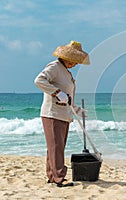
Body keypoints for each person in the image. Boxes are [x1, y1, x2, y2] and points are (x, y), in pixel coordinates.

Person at [34, 40, 89, 187]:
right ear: (65, 57)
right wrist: (56, 92)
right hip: (52, 114)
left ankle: (52, 176)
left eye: (77, 62)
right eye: (73, 60)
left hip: (63, 114)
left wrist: (77, 110)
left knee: (56, 147)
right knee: (56, 146)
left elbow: (67, 98)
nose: (75, 64)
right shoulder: (55, 67)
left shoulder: (66, 72)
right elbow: (39, 80)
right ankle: (59, 178)